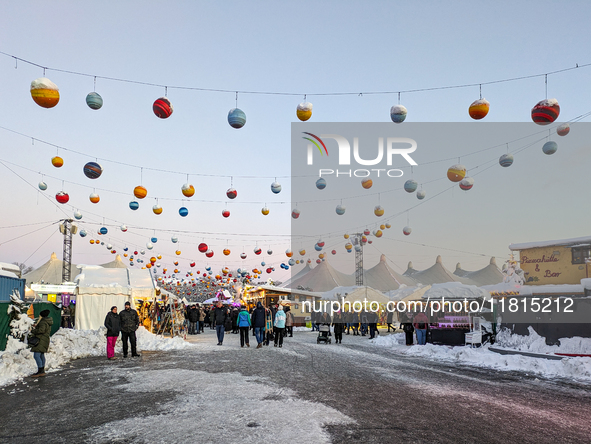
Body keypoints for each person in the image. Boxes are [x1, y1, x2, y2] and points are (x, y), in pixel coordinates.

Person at [30, 309, 53, 377]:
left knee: (36, 355)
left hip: (40, 339)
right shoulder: (47, 321)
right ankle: (42, 369)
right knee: (41, 354)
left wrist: (33, 331)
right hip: (45, 339)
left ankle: (40, 370)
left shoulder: (43, 322)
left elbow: (41, 330)